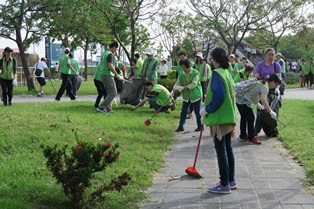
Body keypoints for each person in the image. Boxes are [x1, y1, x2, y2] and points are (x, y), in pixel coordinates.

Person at [199, 47, 237, 194]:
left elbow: (219, 95)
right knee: (228, 148)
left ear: (214, 59)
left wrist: (207, 109)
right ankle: (230, 180)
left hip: (220, 118)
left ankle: (224, 183)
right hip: (228, 116)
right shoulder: (227, 73)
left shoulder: (216, 74)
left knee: (221, 150)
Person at [235, 74, 281, 145]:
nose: (274, 87)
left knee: (244, 117)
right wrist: (271, 112)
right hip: (244, 101)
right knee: (251, 117)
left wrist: (257, 104)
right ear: (273, 81)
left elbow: (253, 93)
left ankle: (243, 136)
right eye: (275, 85)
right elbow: (263, 100)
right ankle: (251, 138)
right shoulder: (265, 86)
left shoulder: (261, 81)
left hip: (238, 99)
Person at [174, 59, 202, 132]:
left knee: (197, 112)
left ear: (188, 66)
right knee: (183, 111)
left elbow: (194, 84)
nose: (182, 69)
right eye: (181, 67)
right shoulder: (181, 73)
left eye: (183, 67)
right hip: (186, 95)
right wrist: (174, 89)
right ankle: (181, 126)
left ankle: (200, 126)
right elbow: (178, 82)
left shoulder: (195, 73)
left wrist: (184, 87)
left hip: (195, 95)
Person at [97, 41, 123, 113]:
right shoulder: (110, 54)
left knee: (110, 92)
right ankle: (102, 106)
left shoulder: (105, 53)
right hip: (107, 74)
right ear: (114, 47)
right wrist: (117, 75)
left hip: (103, 74)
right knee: (114, 92)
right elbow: (110, 65)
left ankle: (108, 108)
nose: (116, 50)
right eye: (116, 49)